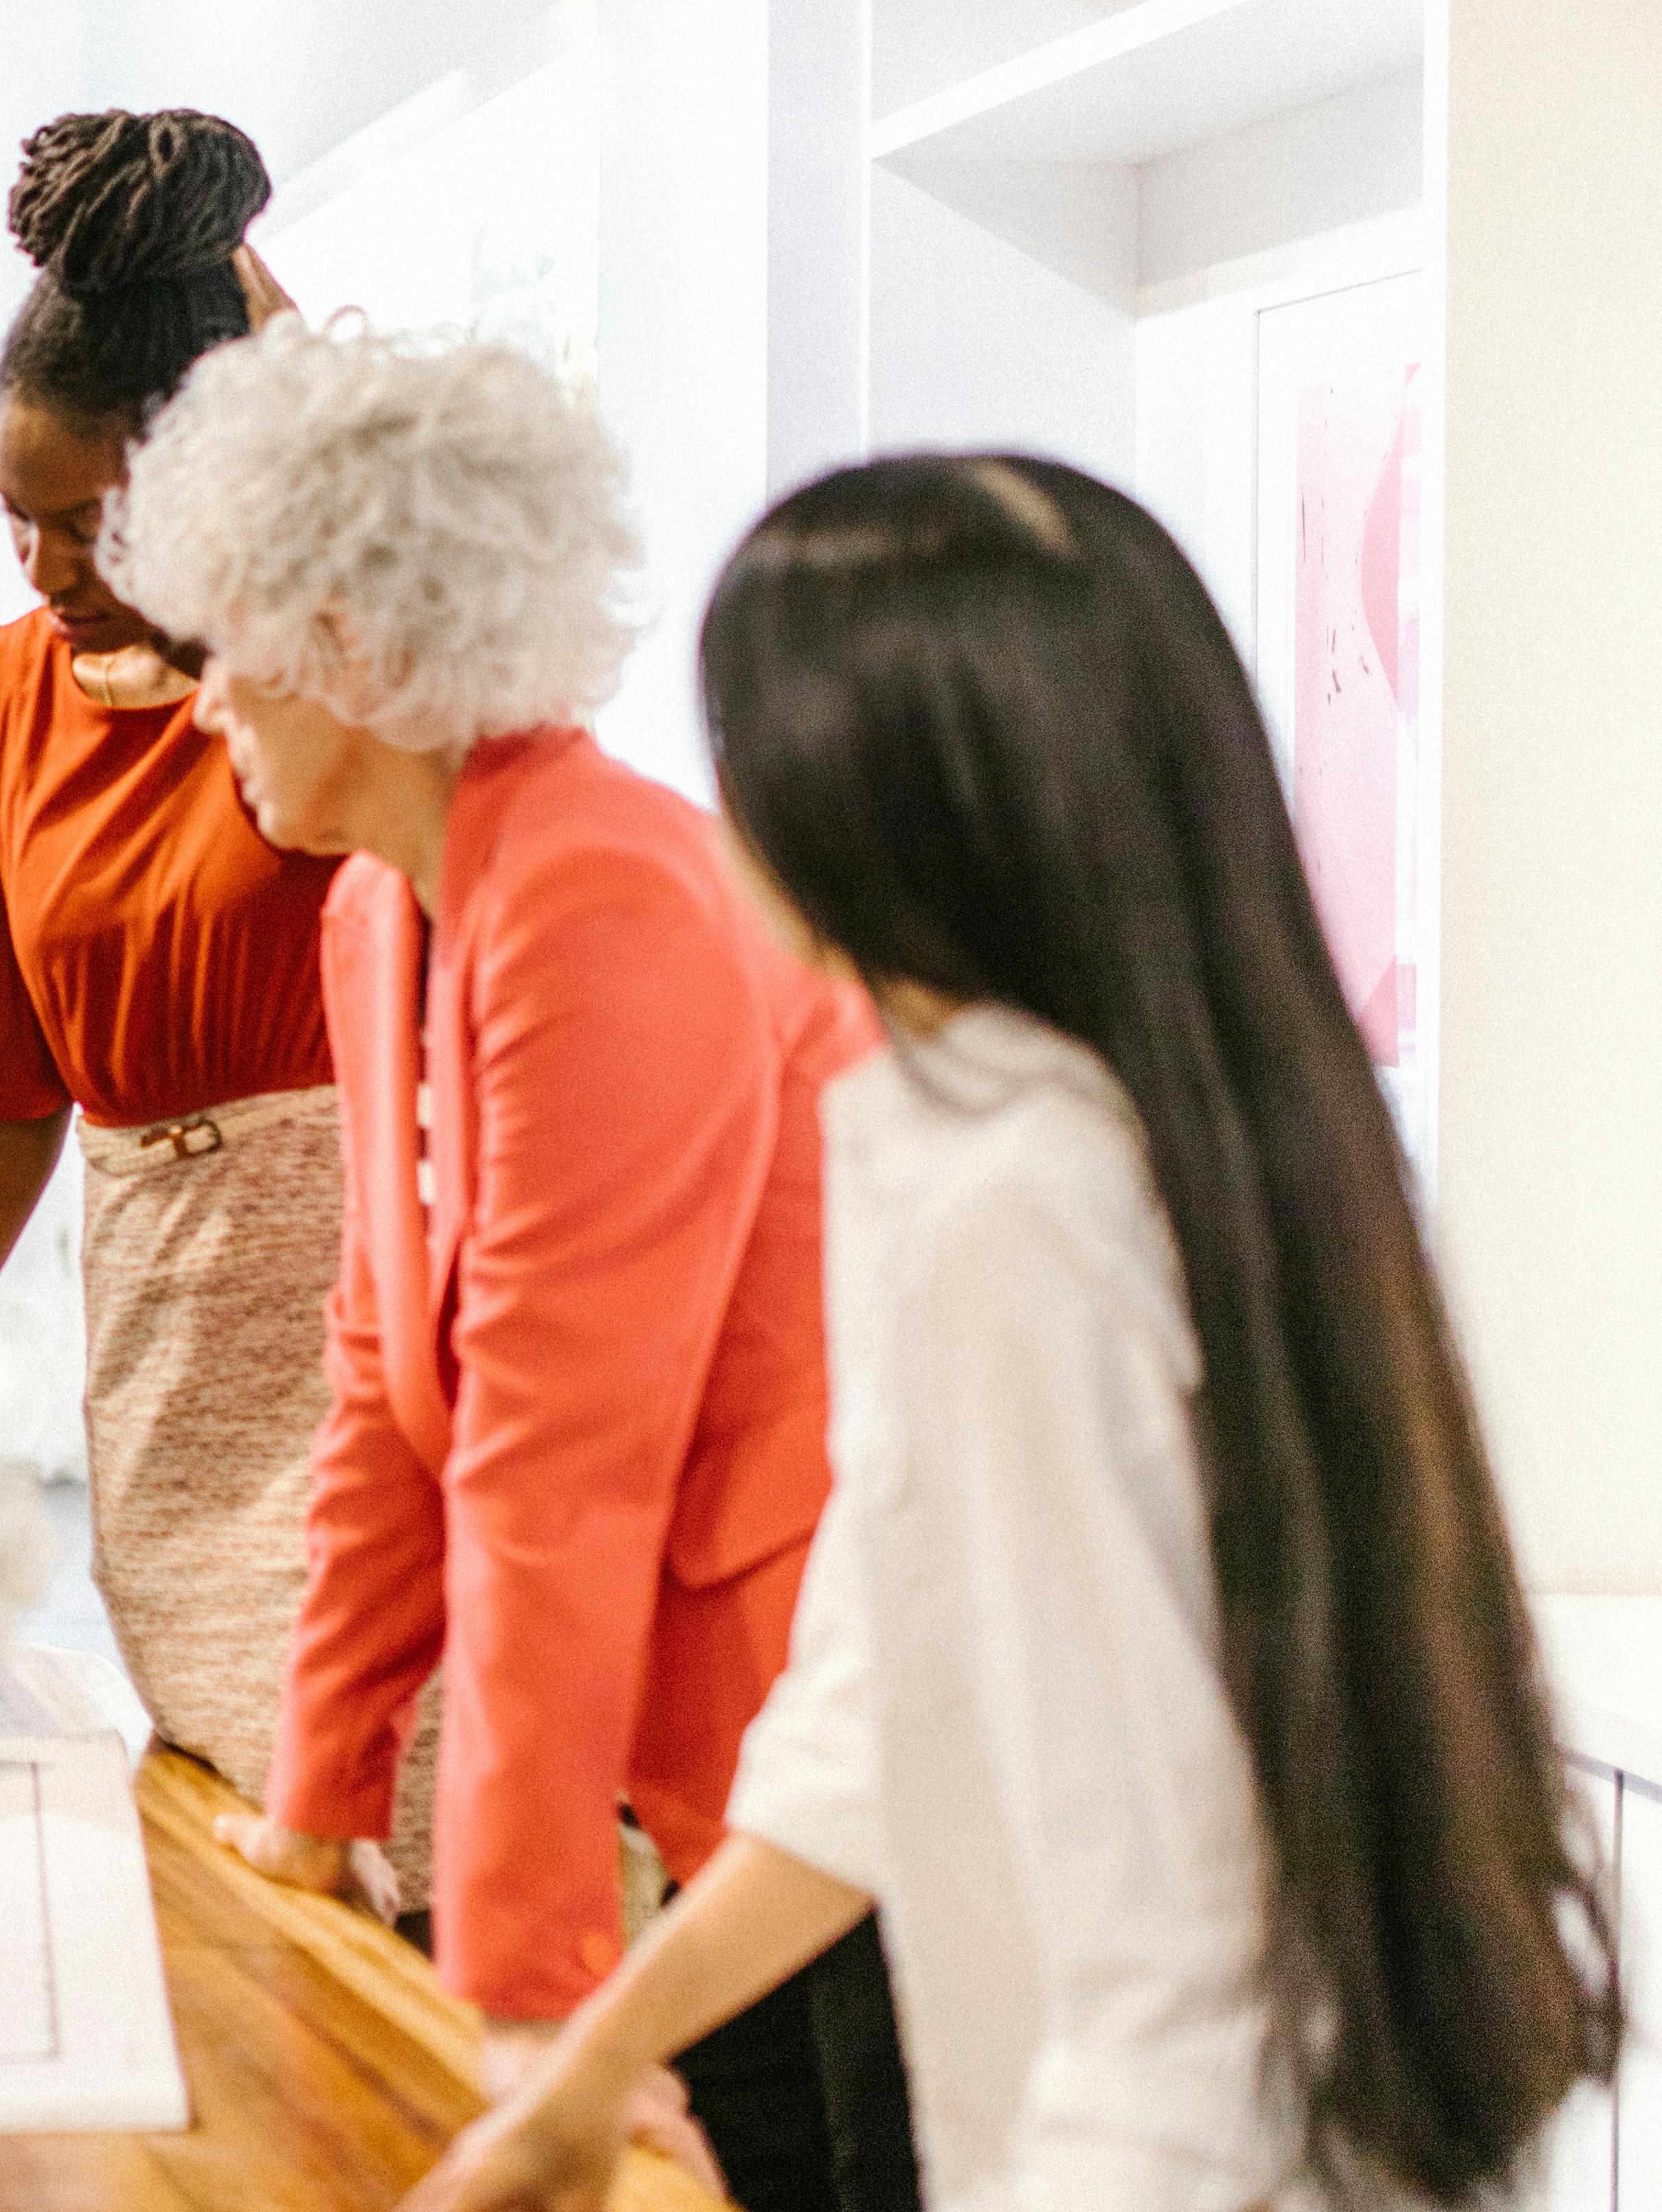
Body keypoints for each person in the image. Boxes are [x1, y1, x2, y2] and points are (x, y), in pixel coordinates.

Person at [407, 455, 1621, 2212]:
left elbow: (1160, 1942)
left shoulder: (1021, 1203)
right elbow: (863, 1713)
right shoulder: (1098, 1131)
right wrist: (595, 2066)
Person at [104, 318, 914, 2212]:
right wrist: (314, 1801)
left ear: (362, 647)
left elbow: (559, 1463)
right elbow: (385, 1392)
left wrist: (532, 1993)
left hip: (843, 1745)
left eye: (230, 651)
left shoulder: (604, 889)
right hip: (713, 1749)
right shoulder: (386, 904)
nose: (203, 704)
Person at [0, 106, 360, 1816]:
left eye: (97, 525)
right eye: (16, 519)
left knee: (384, 1829)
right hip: (158, 1355)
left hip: (372, 1347)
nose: (49, 571)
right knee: (219, 1787)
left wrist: (257, 337)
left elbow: (372, 481)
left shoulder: (332, 681)